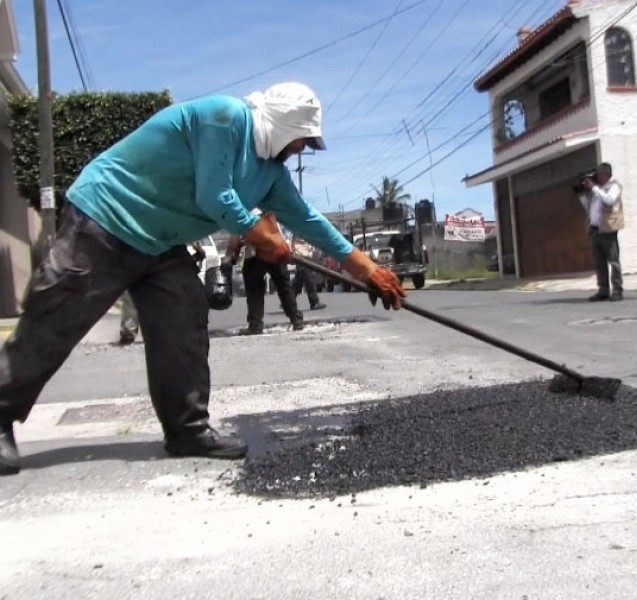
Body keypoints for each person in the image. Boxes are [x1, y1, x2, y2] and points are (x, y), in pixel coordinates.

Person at [0, 81, 406, 476]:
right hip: (105, 217)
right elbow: (214, 195)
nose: (304, 149)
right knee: (55, 319)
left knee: (183, 317)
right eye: (302, 139)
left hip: (160, 242)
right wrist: (257, 231)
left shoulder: (271, 175)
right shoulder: (224, 117)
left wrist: (367, 270)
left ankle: (187, 430)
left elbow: (310, 220)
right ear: (283, 125)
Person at [226, 214, 305, 333]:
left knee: (254, 289)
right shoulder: (267, 207)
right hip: (275, 250)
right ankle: (296, 321)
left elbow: (235, 238)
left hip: (255, 253)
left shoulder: (242, 208)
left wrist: (231, 254)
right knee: (284, 287)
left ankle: (255, 325)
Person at [118, 241, 207, 345]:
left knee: (132, 296)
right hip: (161, 256)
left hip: (137, 250)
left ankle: (129, 332)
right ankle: (164, 330)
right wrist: (198, 249)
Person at [578, 162, 625, 301]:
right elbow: (587, 206)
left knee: (613, 261)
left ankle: (617, 289)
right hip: (594, 230)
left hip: (607, 229)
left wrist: (594, 188)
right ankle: (603, 289)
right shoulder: (596, 189)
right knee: (599, 262)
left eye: (599, 173)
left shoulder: (614, 186)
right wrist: (582, 192)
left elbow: (609, 200)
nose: (597, 176)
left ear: (607, 174)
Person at [291, 235, 326, 311]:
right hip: (301, 257)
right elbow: (297, 244)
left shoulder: (302, 228)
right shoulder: (299, 229)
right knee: (308, 280)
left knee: (298, 282)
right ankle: (314, 302)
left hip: (304, 257)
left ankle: (288, 301)